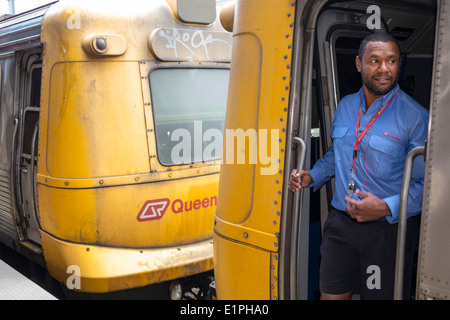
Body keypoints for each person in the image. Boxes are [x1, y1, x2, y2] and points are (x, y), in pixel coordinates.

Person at [288, 33, 429, 300]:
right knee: (330, 296)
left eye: (392, 61)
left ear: (399, 64)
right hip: (340, 224)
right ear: (358, 64)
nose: (384, 69)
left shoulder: (416, 117)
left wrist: (386, 207)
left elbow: (427, 187)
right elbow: (336, 154)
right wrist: (313, 175)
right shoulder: (345, 106)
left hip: (385, 232)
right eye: (374, 61)